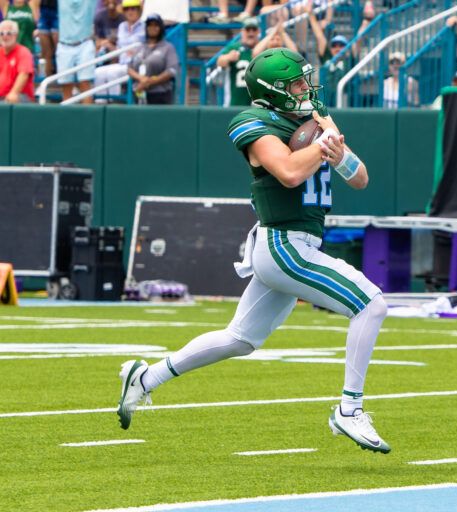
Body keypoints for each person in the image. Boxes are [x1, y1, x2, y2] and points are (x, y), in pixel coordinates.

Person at [117, 47, 391, 454]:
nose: (306, 89)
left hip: (296, 244)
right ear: (273, 89)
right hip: (284, 243)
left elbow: (360, 178)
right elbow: (289, 172)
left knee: (240, 339)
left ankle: (146, 378)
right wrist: (322, 145)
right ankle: (349, 409)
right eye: (296, 84)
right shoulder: (252, 122)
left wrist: (338, 154)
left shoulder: (314, 116)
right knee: (371, 304)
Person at [216, 17, 276, 106]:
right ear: (242, 31)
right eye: (248, 29)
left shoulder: (264, 50)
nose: (251, 32)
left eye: (254, 29)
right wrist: (228, 57)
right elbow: (220, 61)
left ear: (258, 31)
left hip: (258, 104)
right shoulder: (234, 48)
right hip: (235, 103)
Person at [93, 0, 144, 101]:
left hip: (135, 65)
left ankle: (114, 104)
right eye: (127, 9)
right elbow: (120, 49)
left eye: (133, 8)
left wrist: (130, 51)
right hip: (121, 63)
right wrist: (108, 45)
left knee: (112, 73)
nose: (130, 12)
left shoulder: (144, 26)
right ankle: (100, 104)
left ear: (139, 10)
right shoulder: (122, 26)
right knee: (97, 73)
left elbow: (143, 48)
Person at [127, 13, 178, 104]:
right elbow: (129, 68)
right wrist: (141, 79)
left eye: (156, 25)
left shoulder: (167, 47)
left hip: (160, 93)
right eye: (150, 25)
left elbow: (171, 70)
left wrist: (150, 82)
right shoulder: (140, 47)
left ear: (160, 28)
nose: (152, 28)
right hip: (139, 91)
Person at [56, 0, 97, 103]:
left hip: (85, 43)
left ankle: (88, 114)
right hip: (64, 45)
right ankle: (68, 114)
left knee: (85, 84)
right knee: (66, 86)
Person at [0, 19, 34, 102]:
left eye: (9, 33)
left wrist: (14, 92)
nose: (5, 36)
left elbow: (24, 74)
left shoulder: (23, 52)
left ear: (16, 35)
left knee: (13, 98)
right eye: (1, 33)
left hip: (20, 96)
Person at [36, 0, 56, 76]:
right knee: (45, 52)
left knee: (59, 49)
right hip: (43, 10)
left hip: (58, 9)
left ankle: (57, 73)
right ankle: (46, 76)